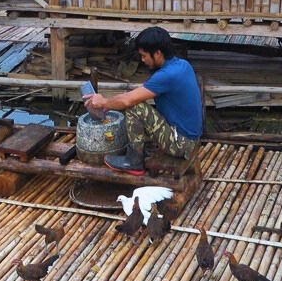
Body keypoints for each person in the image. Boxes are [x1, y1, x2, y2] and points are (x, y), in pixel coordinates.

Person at [83, 26, 202, 176]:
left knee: (135, 107)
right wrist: (110, 103)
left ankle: (134, 162)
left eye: (144, 55)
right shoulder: (182, 65)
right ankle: (140, 150)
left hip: (182, 144)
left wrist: (103, 102)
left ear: (158, 53)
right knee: (134, 101)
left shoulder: (166, 76)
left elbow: (128, 101)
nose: (142, 60)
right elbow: (137, 93)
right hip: (192, 138)